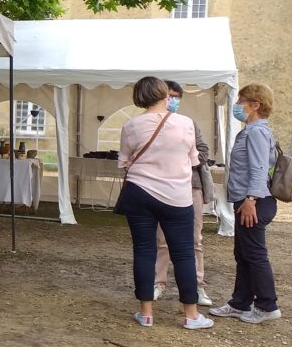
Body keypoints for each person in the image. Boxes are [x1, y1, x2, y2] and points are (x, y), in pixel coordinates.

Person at [118, 76, 212, 330]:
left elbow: (123, 161)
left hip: (140, 192)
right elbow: (194, 159)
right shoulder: (186, 124)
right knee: (183, 254)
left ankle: (146, 312)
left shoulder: (131, 125)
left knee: (144, 251)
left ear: (139, 98)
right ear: (164, 95)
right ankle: (191, 315)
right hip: (176, 195)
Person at [210, 83, 282, 324]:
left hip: (255, 201)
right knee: (244, 253)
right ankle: (240, 303)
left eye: (241, 101)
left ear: (255, 105)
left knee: (254, 254)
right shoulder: (252, 130)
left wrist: (251, 199)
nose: (237, 106)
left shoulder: (256, 132)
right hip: (249, 200)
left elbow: (260, 168)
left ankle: (267, 306)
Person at [153, 81, 215, 306]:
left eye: (177, 96)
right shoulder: (150, 123)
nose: (173, 100)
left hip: (191, 186)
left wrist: (181, 160)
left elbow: (204, 151)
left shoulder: (188, 123)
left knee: (195, 238)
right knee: (162, 239)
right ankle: (158, 283)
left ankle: (198, 286)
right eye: (169, 95)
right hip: (162, 186)